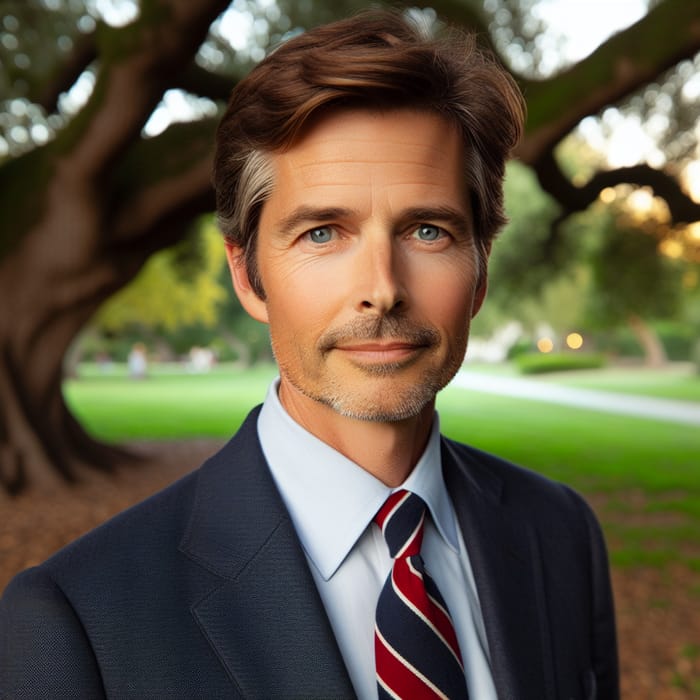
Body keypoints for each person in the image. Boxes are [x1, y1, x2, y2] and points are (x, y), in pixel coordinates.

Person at [0, 9, 619, 699]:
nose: (382, 290)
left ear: (481, 268)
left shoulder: (560, 537)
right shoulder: (77, 622)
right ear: (247, 274)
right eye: (324, 233)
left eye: (427, 230)